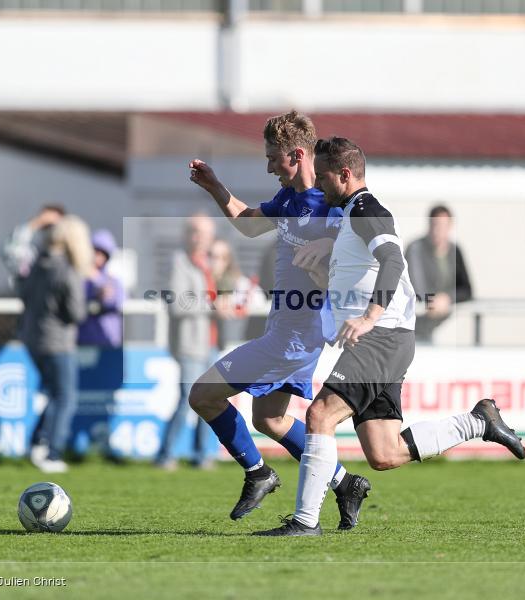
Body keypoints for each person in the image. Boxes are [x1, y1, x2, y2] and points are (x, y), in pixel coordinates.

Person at [255, 137, 524, 537]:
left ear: (344, 174)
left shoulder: (368, 209)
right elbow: (353, 277)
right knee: (385, 452)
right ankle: (477, 422)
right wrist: (318, 274)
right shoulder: (348, 215)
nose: (320, 186)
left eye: (325, 176)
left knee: (319, 415)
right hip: (382, 340)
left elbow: (393, 260)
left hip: (383, 335)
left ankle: (305, 522)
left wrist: (369, 317)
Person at [186, 111, 370, 530]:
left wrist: (326, 258)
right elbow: (250, 226)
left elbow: (352, 266)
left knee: (202, 395)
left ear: (298, 154)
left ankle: (258, 473)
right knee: (269, 418)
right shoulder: (288, 199)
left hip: (296, 337)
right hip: (285, 331)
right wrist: (216, 187)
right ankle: (345, 484)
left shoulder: (333, 206)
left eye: (274, 158)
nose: (269, 167)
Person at [18, 214, 94, 474]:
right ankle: (52, 452)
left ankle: (37, 443)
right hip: (58, 341)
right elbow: (76, 313)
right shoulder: (67, 269)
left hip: (32, 338)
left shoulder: (38, 264)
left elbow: (23, 292)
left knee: (53, 394)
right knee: (65, 397)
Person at [156, 214, 220, 470]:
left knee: (209, 399)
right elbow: (176, 304)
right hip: (189, 343)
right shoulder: (179, 262)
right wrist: (212, 304)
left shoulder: (208, 263)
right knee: (187, 399)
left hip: (209, 342)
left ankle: (202, 454)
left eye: (205, 233)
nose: (201, 238)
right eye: (196, 232)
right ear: (186, 234)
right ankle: (166, 455)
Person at [405, 205, 473, 342]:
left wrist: (447, 298)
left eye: (443, 226)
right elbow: (415, 288)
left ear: (450, 226)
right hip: (410, 324)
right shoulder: (415, 248)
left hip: (434, 326)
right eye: (435, 225)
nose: (438, 231)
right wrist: (433, 300)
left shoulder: (455, 250)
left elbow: (466, 290)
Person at [209, 239, 260, 348]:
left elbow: (259, 300)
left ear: (228, 261)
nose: (215, 262)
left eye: (222, 258)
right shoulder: (200, 281)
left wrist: (233, 305)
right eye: (211, 256)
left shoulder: (240, 283)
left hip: (233, 345)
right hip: (205, 345)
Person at [78, 229, 125, 348]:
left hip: (107, 341)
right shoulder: (79, 279)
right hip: (81, 342)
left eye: (102, 253)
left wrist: (99, 284)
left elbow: (119, 301)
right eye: (95, 251)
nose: (97, 257)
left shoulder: (113, 281)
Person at [1, 204, 66, 285]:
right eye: (46, 226)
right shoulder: (36, 255)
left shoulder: (71, 256)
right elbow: (10, 250)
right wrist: (36, 223)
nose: (51, 231)